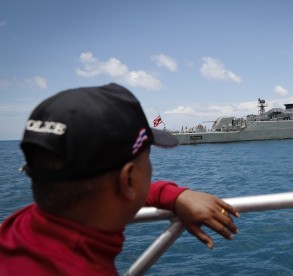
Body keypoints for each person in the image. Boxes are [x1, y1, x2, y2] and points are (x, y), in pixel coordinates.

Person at [0, 83, 240, 275]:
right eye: (148, 156)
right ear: (128, 180)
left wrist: (173, 195)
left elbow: (97, 192)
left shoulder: (21, 225)